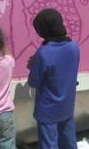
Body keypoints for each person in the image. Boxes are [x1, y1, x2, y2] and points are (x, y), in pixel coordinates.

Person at [27, 8, 80, 149]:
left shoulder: (43, 53)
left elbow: (34, 82)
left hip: (47, 109)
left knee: (49, 144)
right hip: (67, 105)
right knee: (68, 140)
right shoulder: (74, 47)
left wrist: (33, 65)